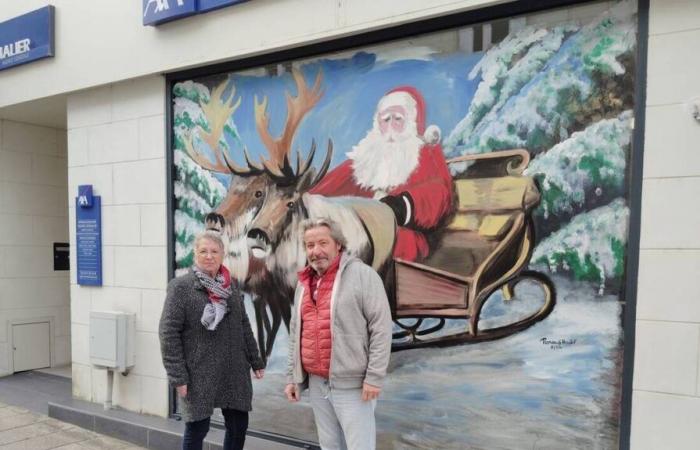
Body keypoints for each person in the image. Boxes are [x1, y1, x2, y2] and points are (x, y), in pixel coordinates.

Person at [310, 86, 454, 262]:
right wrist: (309, 199)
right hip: (365, 226)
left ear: (412, 121)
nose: (391, 127)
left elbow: (439, 193)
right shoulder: (370, 155)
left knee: (361, 240)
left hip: (405, 233)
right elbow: (336, 182)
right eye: (385, 120)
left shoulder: (423, 152)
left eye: (398, 119)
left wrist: (401, 205)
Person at [285, 218, 393, 450]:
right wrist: (293, 377)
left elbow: (381, 329)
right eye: (310, 245)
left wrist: (374, 377)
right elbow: (296, 331)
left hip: (353, 386)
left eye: (323, 243)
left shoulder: (363, 276)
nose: (316, 251)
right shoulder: (304, 284)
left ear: (338, 244)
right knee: (329, 446)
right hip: (317, 384)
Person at [159, 230, 265, 450]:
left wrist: (255, 360)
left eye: (214, 251)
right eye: (203, 251)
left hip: (234, 370)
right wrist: (178, 376)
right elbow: (168, 333)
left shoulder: (231, 286)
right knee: (197, 429)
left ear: (223, 254)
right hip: (199, 371)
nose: (209, 256)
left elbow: (243, 324)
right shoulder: (181, 287)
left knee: (238, 427)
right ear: (195, 254)